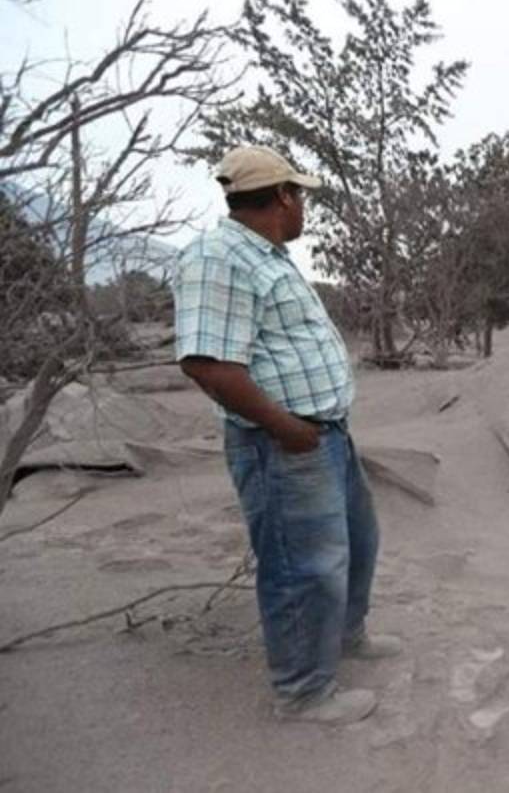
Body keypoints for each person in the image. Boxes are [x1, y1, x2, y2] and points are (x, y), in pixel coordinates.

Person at [172, 145, 401, 726]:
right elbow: (207, 362)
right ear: (282, 196)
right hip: (283, 444)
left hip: (324, 437)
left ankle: (344, 638)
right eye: (299, 195)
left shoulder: (265, 255)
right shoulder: (219, 256)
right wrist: (287, 429)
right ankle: (302, 690)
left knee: (356, 544)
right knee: (303, 566)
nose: (304, 207)